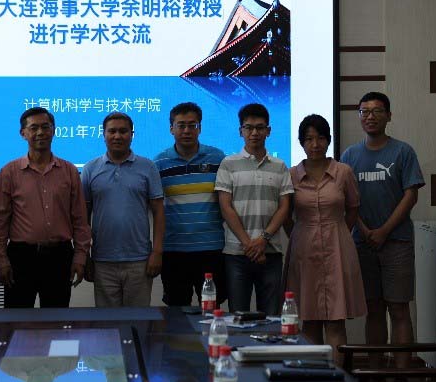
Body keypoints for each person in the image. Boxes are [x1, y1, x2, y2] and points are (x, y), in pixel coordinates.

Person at [340, 92, 425, 368]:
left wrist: (384, 230)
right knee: (373, 309)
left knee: (399, 308)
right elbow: (347, 201)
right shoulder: (350, 155)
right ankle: (376, 373)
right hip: (362, 243)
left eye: (377, 111)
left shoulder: (403, 152)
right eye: (364, 111)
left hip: (397, 242)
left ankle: (401, 375)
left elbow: (411, 195)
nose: (370, 116)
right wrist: (365, 231)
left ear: (389, 115)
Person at [0, 107, 91, 308]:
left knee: (56, 318)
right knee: (16, 319)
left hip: (59, 256)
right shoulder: (9, 172)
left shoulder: (69, 171)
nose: (40, 132)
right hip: (21, 257)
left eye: (45, 127)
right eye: (33, 128)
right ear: (23, 133)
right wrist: (0, 259)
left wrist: (80, 256)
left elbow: (80, 219)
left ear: (54, 131)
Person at [286, 114, 366, 364]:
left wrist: (338, 231)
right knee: (309, 320)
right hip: (303, 249)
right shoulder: (291, 175)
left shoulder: (343, 172)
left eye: (321, 138)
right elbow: (285, 215)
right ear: (301, 142)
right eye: (309, 139)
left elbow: (353, 208)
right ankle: (313, 377)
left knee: (335, 320)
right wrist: (299, 235)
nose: (315, 144)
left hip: (337, 247)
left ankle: (337, 377)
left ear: (329, 140)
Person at [215, 103, 293, 315]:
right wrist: (249, 244)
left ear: (269, 130)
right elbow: (225, 207)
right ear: (240, 131)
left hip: (271, 253)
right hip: (236, 253)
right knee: (238, 315)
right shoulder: (228, 164)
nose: (254, 133)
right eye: (248, 128)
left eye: (260, 127)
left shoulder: (280, 166)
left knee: (271, 317)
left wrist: (263, 240)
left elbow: (284, 207)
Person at [82, 112, 165, 307]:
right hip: (102, 260)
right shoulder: (90, 169)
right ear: (103, 134)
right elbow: (83, 217)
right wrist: (84, 255)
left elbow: (159, 212)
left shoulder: (148, 167)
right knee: (107, 321)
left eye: (123, 131)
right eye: (112, 131)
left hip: (140, 260)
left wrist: (157, 252)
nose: (117, 136)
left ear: (132, 134)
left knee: (138, 320)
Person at [153, 102, 226, 307]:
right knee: (176, 311)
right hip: (174, 249)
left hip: (211, 248)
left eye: (192, 125)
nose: (187, 130)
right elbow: (155, 207)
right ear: (171, 128)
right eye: (181, 125)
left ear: (200, 128)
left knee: (211, 309)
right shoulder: (159, 163)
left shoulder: (218, 159)